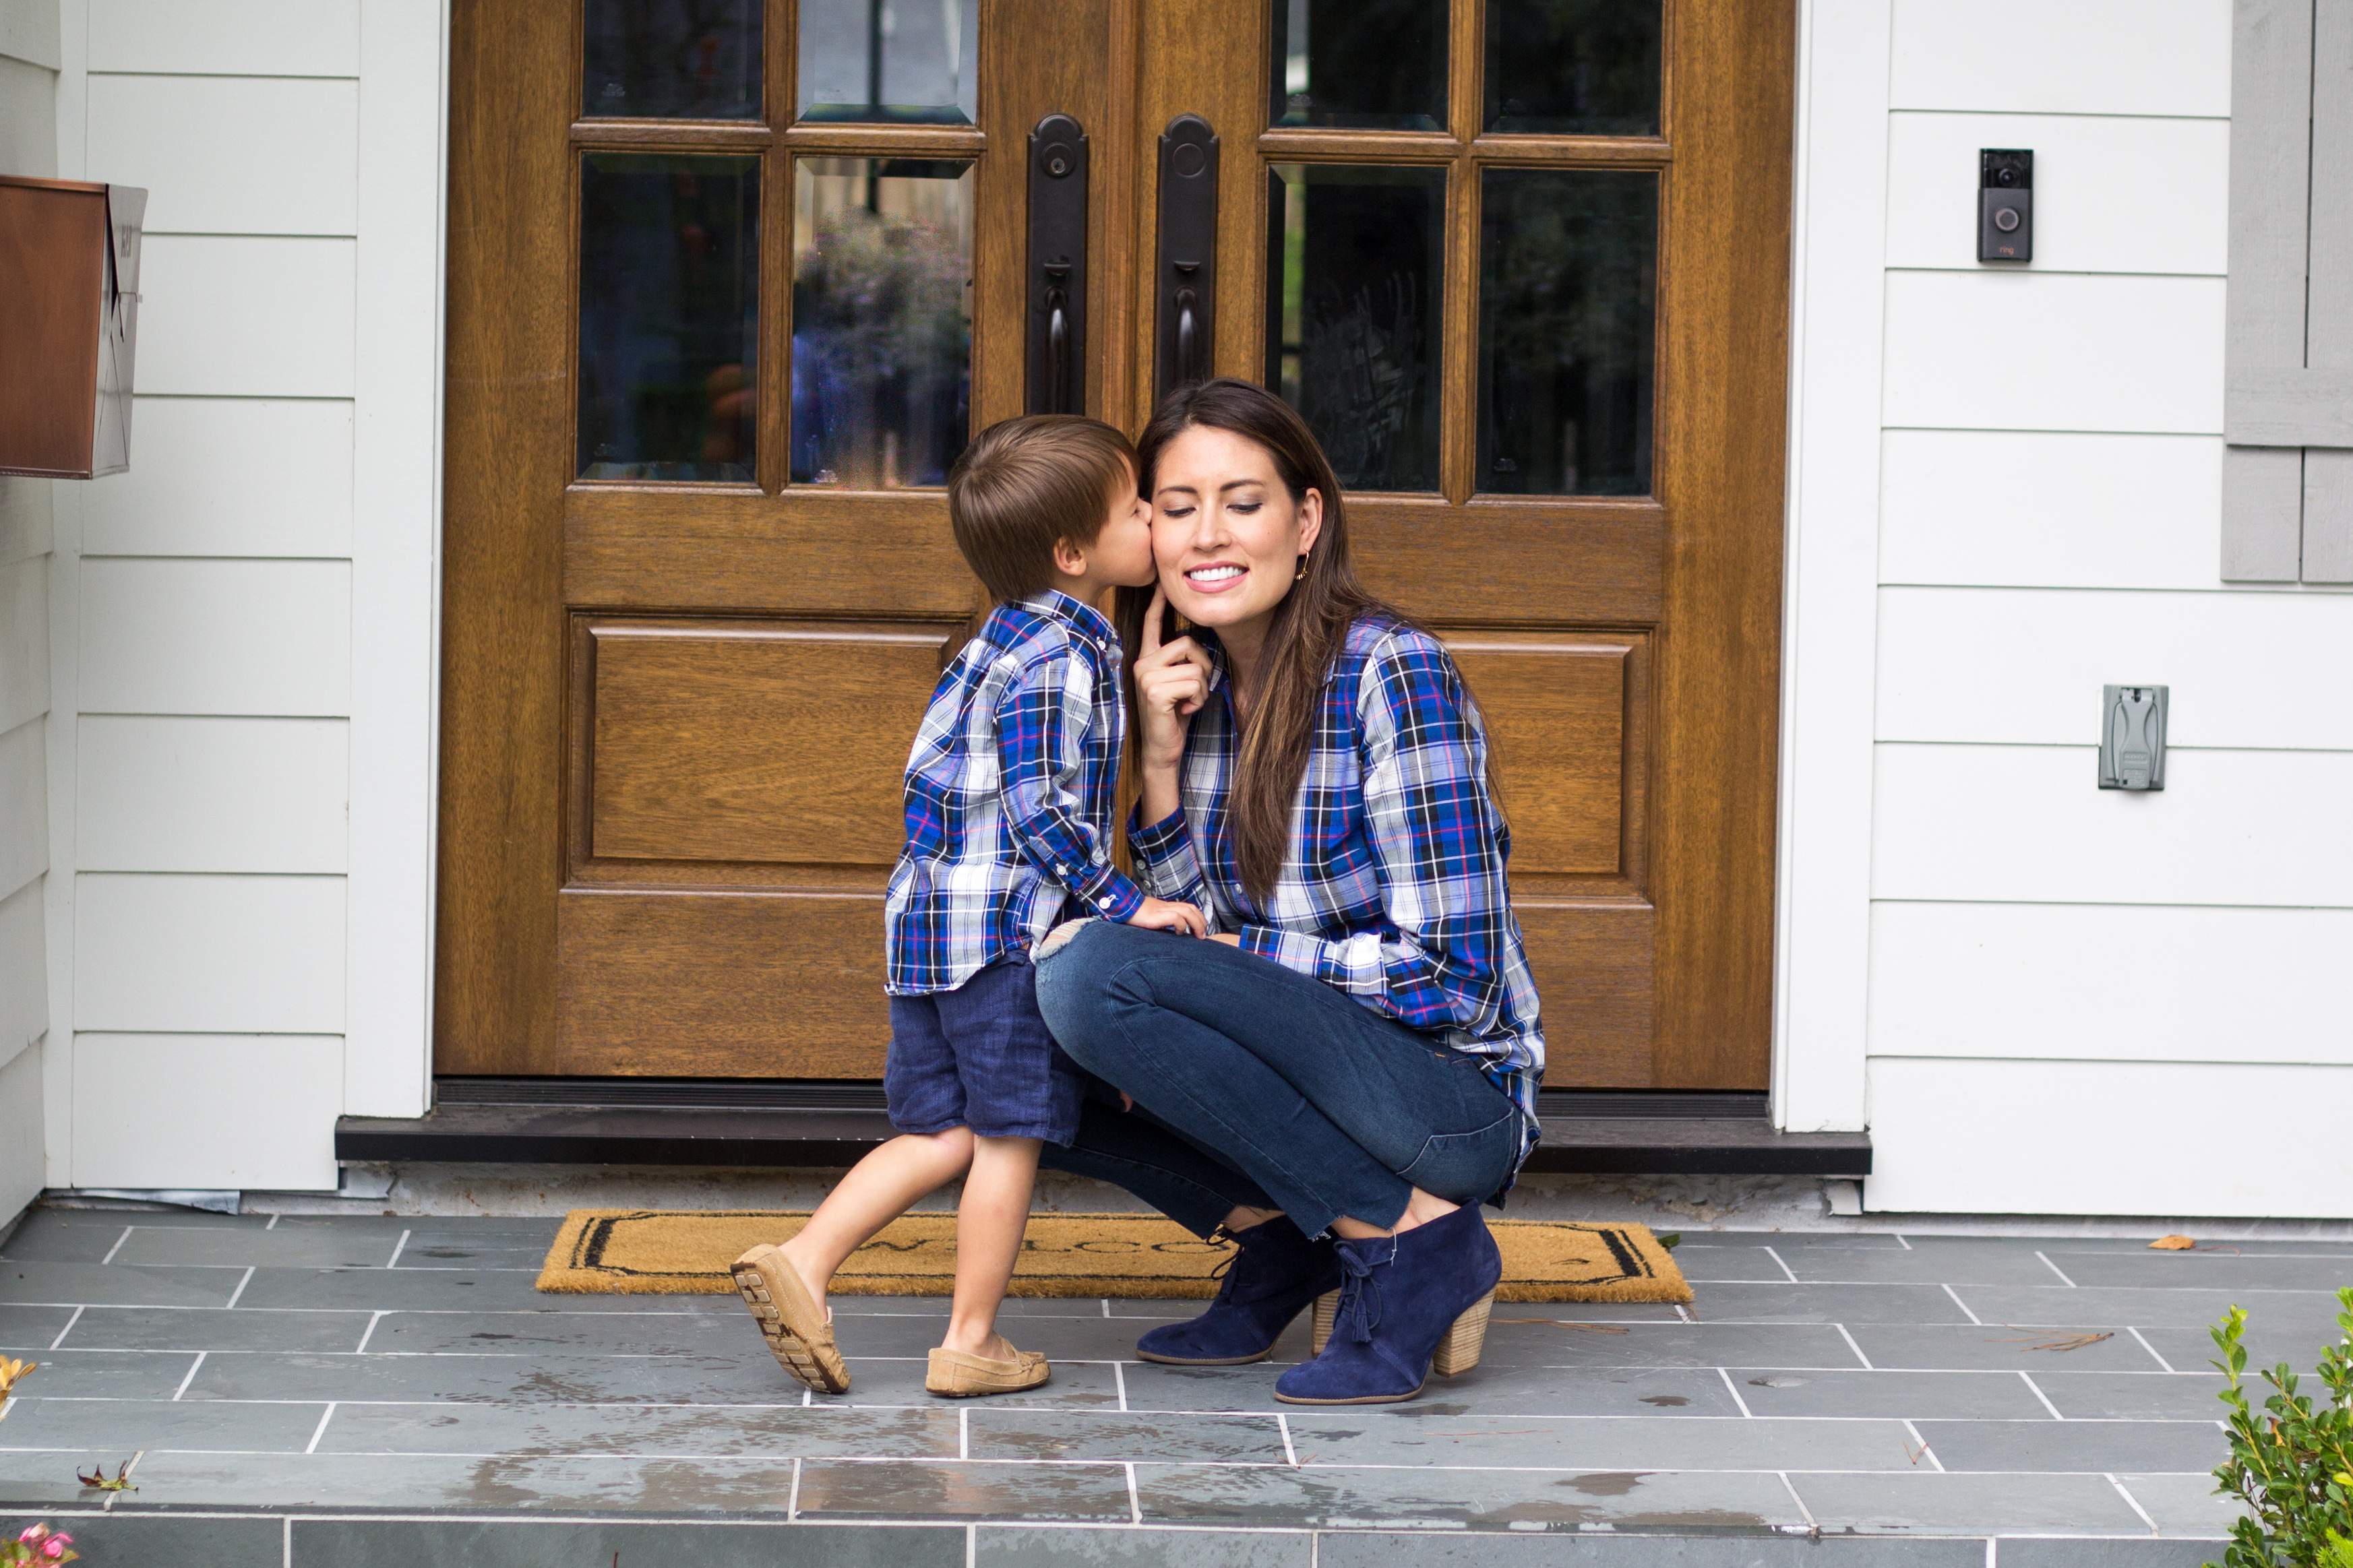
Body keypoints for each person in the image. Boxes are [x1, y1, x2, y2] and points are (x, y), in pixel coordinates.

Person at [1033, 378, 1544, 1407]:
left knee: (1093, 975)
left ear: (1306, 520)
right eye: (1177, 507)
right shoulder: (1195, 686)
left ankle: (1415, 1240)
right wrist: (1164, 766)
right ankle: (1287, 1242)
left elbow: (1457, 982)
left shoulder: (1393, 674)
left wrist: (1235, 962)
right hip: (1328, 1074)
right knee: (1008, 1011)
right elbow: (1193, 928)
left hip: (1447, 1101)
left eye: (1243, 502)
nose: (1207, 535)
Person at [731, 415, 1206, 1400]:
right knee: (1006, 1139)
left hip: (928, 935)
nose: (1156, 515)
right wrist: (1127, 903)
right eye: (1138, 506)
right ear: (1075, 554)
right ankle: (971, 1339)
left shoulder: (995, 640)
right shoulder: (1061, 662)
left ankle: (807, 1260)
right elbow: (1041, 816)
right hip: (997, 940)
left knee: (937, 1134)